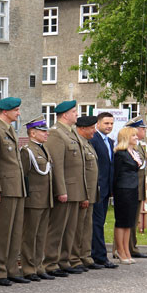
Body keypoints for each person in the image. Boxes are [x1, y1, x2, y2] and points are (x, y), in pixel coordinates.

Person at [0, 97, 28, 285]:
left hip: (16, 186)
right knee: (2, 231)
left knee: (15, 230)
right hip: (5, 187)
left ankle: (12, 268)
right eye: (16, 110)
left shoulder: (10, 129)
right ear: (5, 111)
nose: (19, 113)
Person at [43, 100, 84, 277]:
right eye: (74, 111)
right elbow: (57, 165)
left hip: (75, 189)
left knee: (70, 228)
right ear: (65, 115)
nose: (77, 114)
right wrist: (61, 190)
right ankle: (51, 262)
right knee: (57, 227)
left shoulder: (71, 133)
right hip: (65, 188)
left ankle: (64, 260)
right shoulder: (56, 134)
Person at [19, 117, 54, 281]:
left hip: (45, 198)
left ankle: (39, 266)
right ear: (32, 133)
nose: (46, 134)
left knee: (41, 235)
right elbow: (24, 176)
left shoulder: (43, 149)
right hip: (33, 199)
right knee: (30, 235)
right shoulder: (27, 151)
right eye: (43, 131)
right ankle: (28, 268)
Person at [70, 116, 103, 270]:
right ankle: (75, 258)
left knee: (86, 227)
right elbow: (80, 173)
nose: (94, 131)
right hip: (83, 193)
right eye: (92, 128)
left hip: (90, 193)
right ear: (82, 128)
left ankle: (85, 256)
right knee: (78, 228)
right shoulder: (79, 144)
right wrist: (84, 194)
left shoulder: (87, 144)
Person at [89, 112, 118, 268]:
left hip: (106, 189)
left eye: (111, 123)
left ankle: (97, 254)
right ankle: (99, 256)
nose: (109, 126)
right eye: (106, 123)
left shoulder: (110, 141)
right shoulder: (94, 140)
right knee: (97, 223)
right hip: (97, 188)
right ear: (98, 124)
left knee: (100, 221)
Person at [112, 126, 142, 264]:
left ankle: (127, 250)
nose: (136, 138)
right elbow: (116, 174)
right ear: (126, 138)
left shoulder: (133, 152)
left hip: (132, 189)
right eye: (133, 136)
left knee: (129, 222)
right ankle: (120, 250)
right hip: (123, 190)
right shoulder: (120, 153)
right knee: (122, 221)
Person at [128, 116, 147, 259]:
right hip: (131, 188)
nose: (144, 131)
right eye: (142, 129)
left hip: (138, 188)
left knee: (134, 220)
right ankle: (124, 248)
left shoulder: (139, 145)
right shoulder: (131, 146)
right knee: (127, 220)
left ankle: (132, 247)